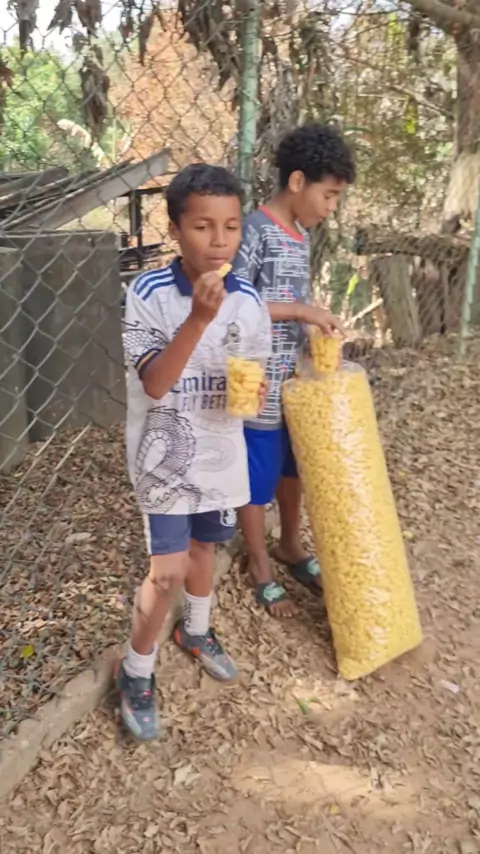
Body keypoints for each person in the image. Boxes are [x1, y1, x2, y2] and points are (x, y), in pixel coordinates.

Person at [118, 163, 272, 740]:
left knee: (206, 549)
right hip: (164, 457)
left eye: (231, 227)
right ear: (176, 229)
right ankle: (136, 669)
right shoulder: (148, 295)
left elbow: (249, 381)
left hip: (220, 450)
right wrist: (200, 317)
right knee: (166, 574)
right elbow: (157, 383)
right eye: (203, 226)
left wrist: (255, 392)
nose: (219, 241)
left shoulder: (248, 300)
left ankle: (196, 630)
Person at [232, 123, 356, 618]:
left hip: (294, 382)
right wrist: (302, 311)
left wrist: (315, 331)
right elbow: (235, 304)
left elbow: (295, 302)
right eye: (329, 195)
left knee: (293, 464)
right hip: (257, 379)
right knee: (259, 469)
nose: (331, 207)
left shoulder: (300, 236)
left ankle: (289, 543)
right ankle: (259, 561)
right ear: (298, 181)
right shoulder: (254, 230)